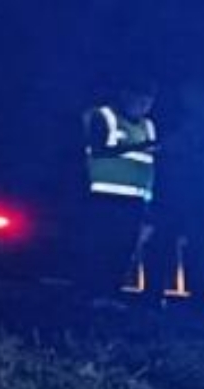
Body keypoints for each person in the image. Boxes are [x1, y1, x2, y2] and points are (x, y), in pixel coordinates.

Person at [79, 85, 159, 297]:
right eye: (140, 100)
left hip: (136, 201)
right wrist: (139, 147)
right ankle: (92, 294)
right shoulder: (104, 116)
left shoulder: (148, 125)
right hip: (105, 198)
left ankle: (112, 295)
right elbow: (98, 150)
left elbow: (149, 164)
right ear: (125, 95)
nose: (144, 106)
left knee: (124, 250)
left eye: (148, 102)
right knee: (100, 248)